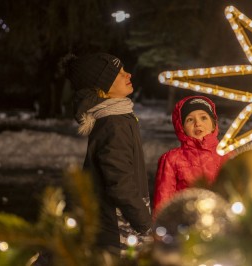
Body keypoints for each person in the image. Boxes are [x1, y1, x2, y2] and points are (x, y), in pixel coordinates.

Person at [63, 52, 152, 256]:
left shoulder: (117, 117)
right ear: (102, 86)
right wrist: (145, 223)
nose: (128, 74)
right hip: (118, 227)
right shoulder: (113, 124)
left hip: (120, 223)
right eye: (119, 73)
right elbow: (120, 183)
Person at [153, 95, 226, 216]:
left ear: (214, 124)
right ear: (182, 128)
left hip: (222, 225)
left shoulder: (227, 155)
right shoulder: (172, 159)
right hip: (186, 225)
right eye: (190, 120)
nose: (197, 123)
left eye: (203, 118)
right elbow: (163, 202)